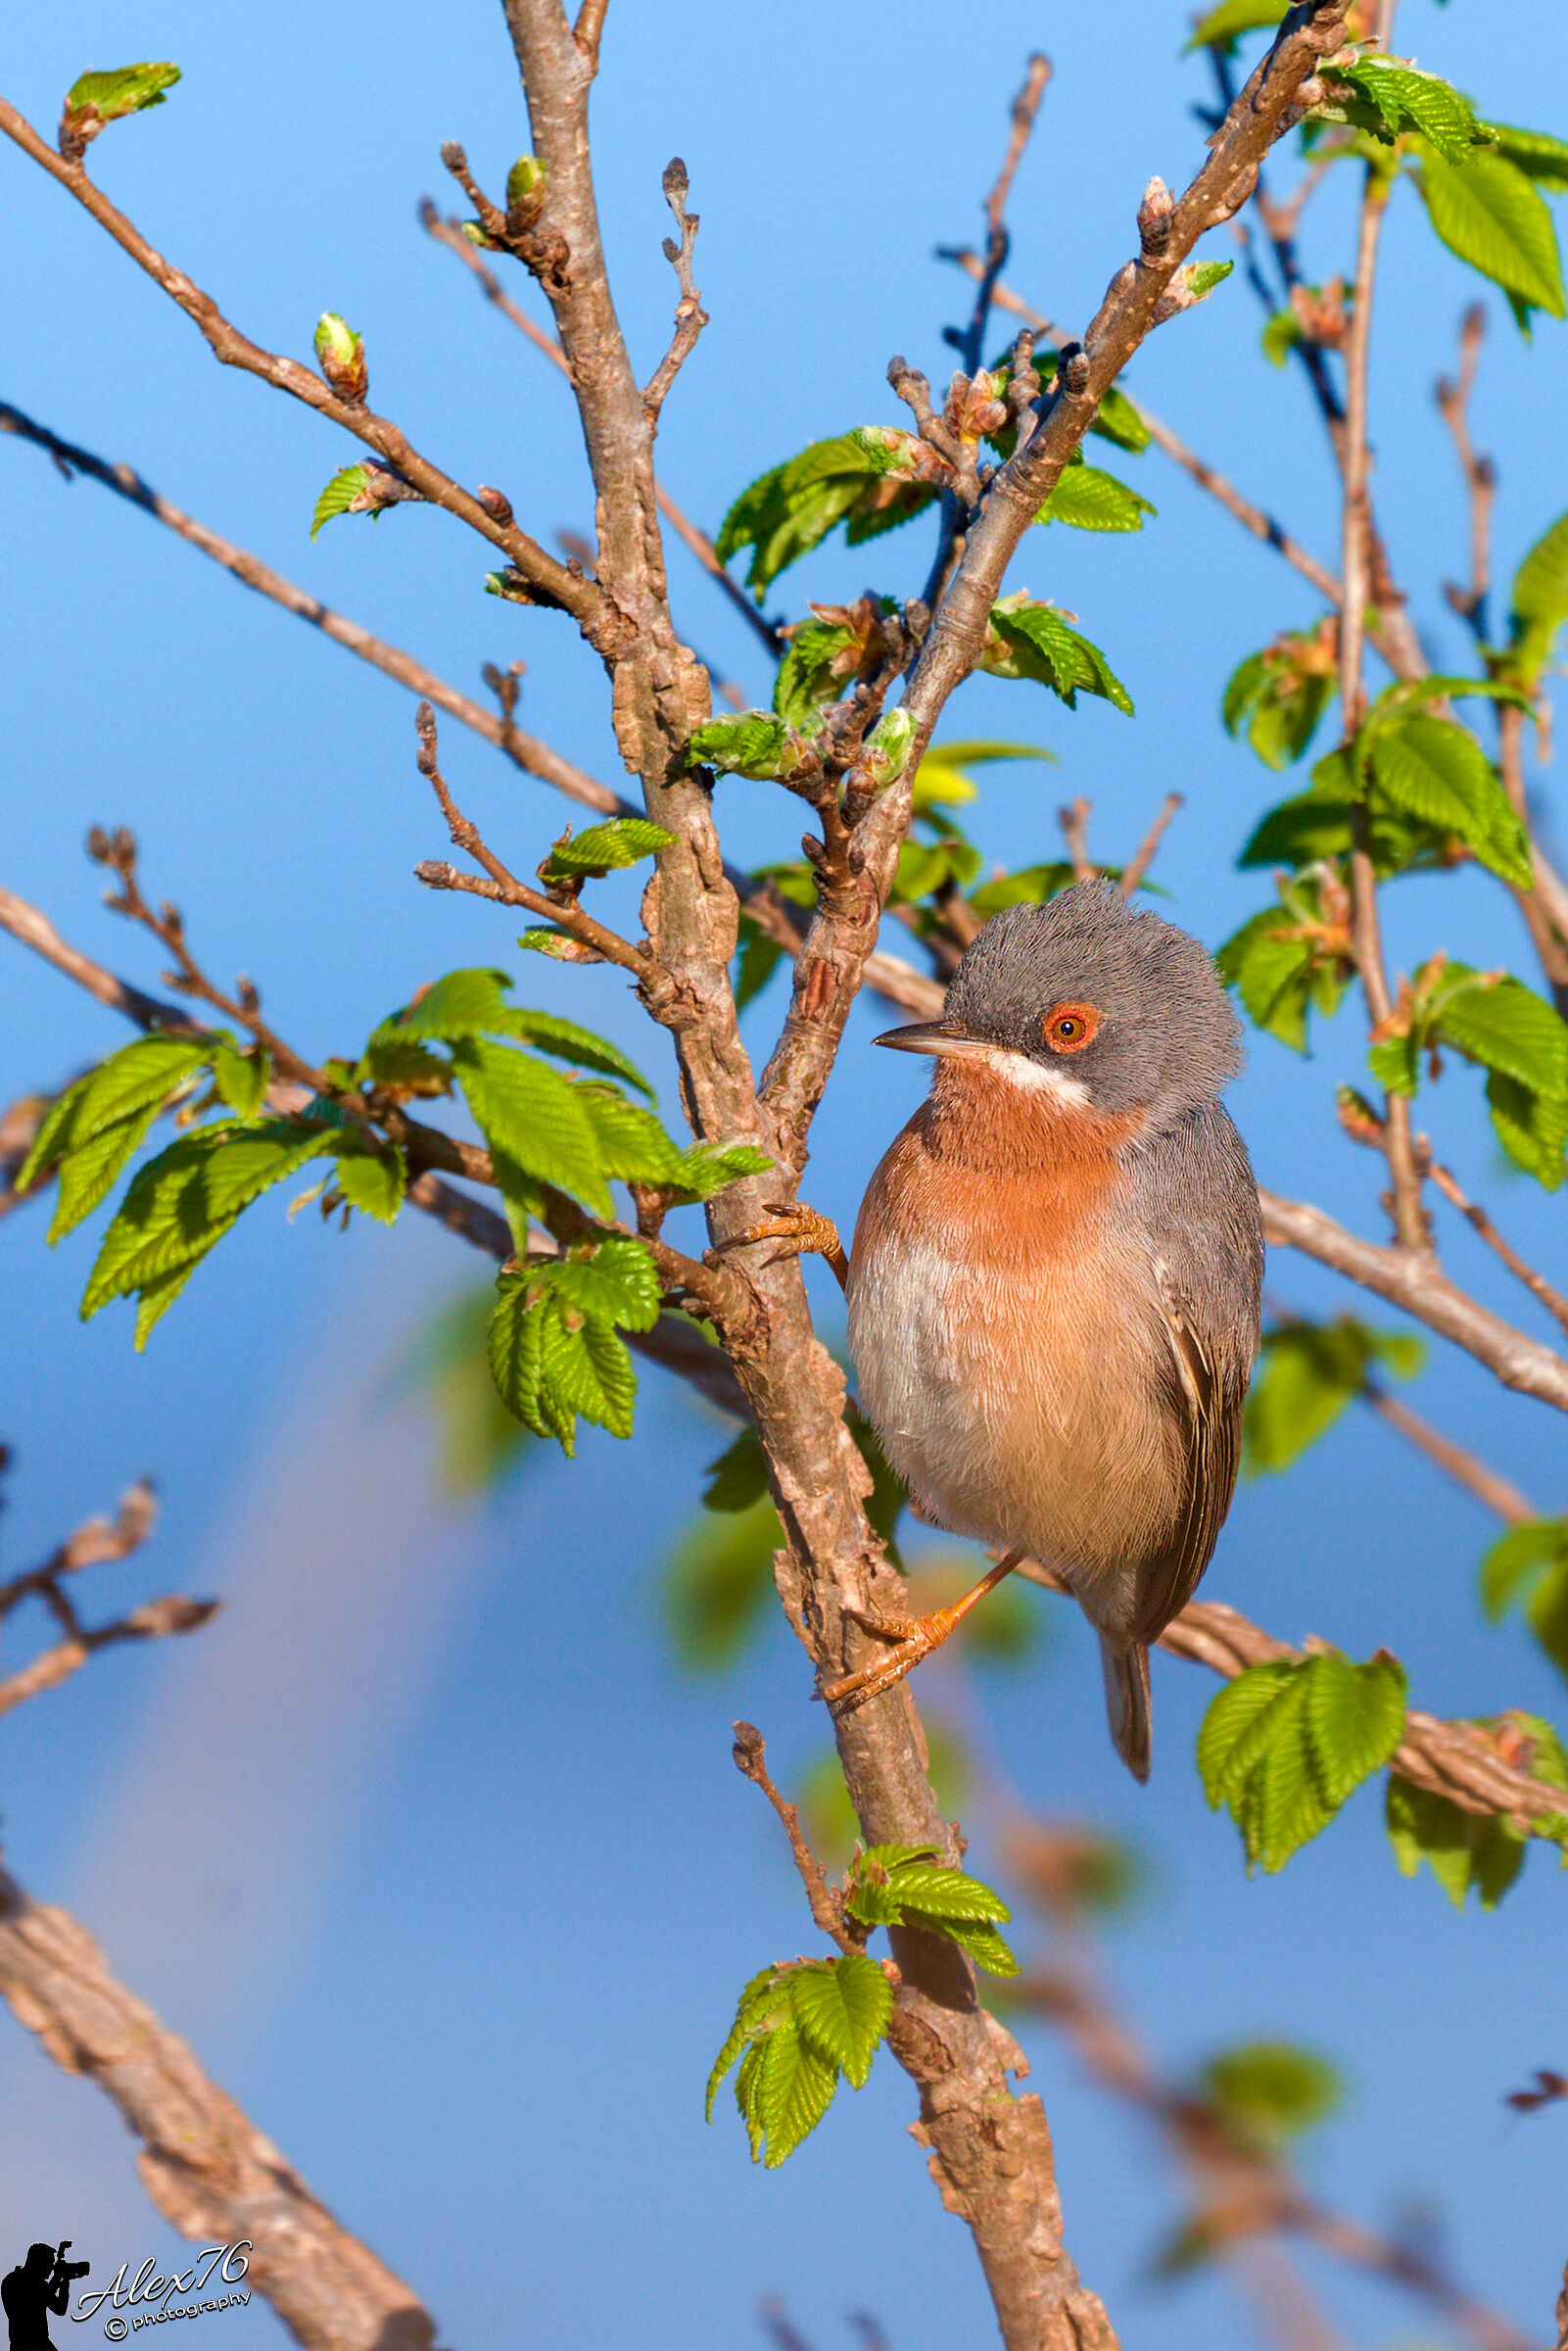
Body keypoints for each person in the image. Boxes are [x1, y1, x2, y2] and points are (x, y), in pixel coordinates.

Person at [2, 2245, 70, 2351]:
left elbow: (55, 2304)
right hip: (32, 2344)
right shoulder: (22, 2281)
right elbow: (44, 2300)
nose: (51, 2268)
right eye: (49, 2263)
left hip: (27, 2343)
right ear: (39, 2262)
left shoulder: (12, 2279)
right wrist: (61, 2279)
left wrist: (63, 2280)